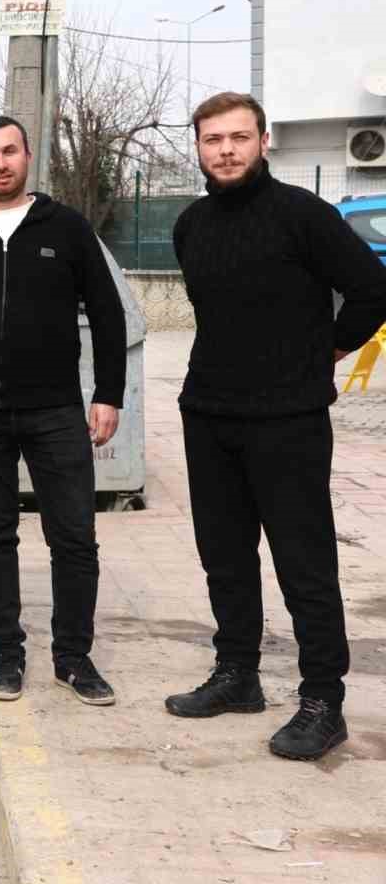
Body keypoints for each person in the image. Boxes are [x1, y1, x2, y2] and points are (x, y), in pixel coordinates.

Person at [164, 92, 386, 761]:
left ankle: (323, 700)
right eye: (212, 139)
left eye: (238, 137)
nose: (225, 150)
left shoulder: (304, 215)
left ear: (263, 141)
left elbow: (374, 290)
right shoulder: (191, 224)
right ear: (198, 147)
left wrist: (328, 349)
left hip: (287, 420)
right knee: (224, 558)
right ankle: (238, 675)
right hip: (208, 414)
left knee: (304, 564)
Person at [0, 116, 126, 709]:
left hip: (56, 410)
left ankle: (74, 658)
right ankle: (6, 655)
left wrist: (107, 393)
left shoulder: (66, 228)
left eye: (9, 150)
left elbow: (108, 314)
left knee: (75, 538)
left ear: (27, 155)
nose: (0, 162)